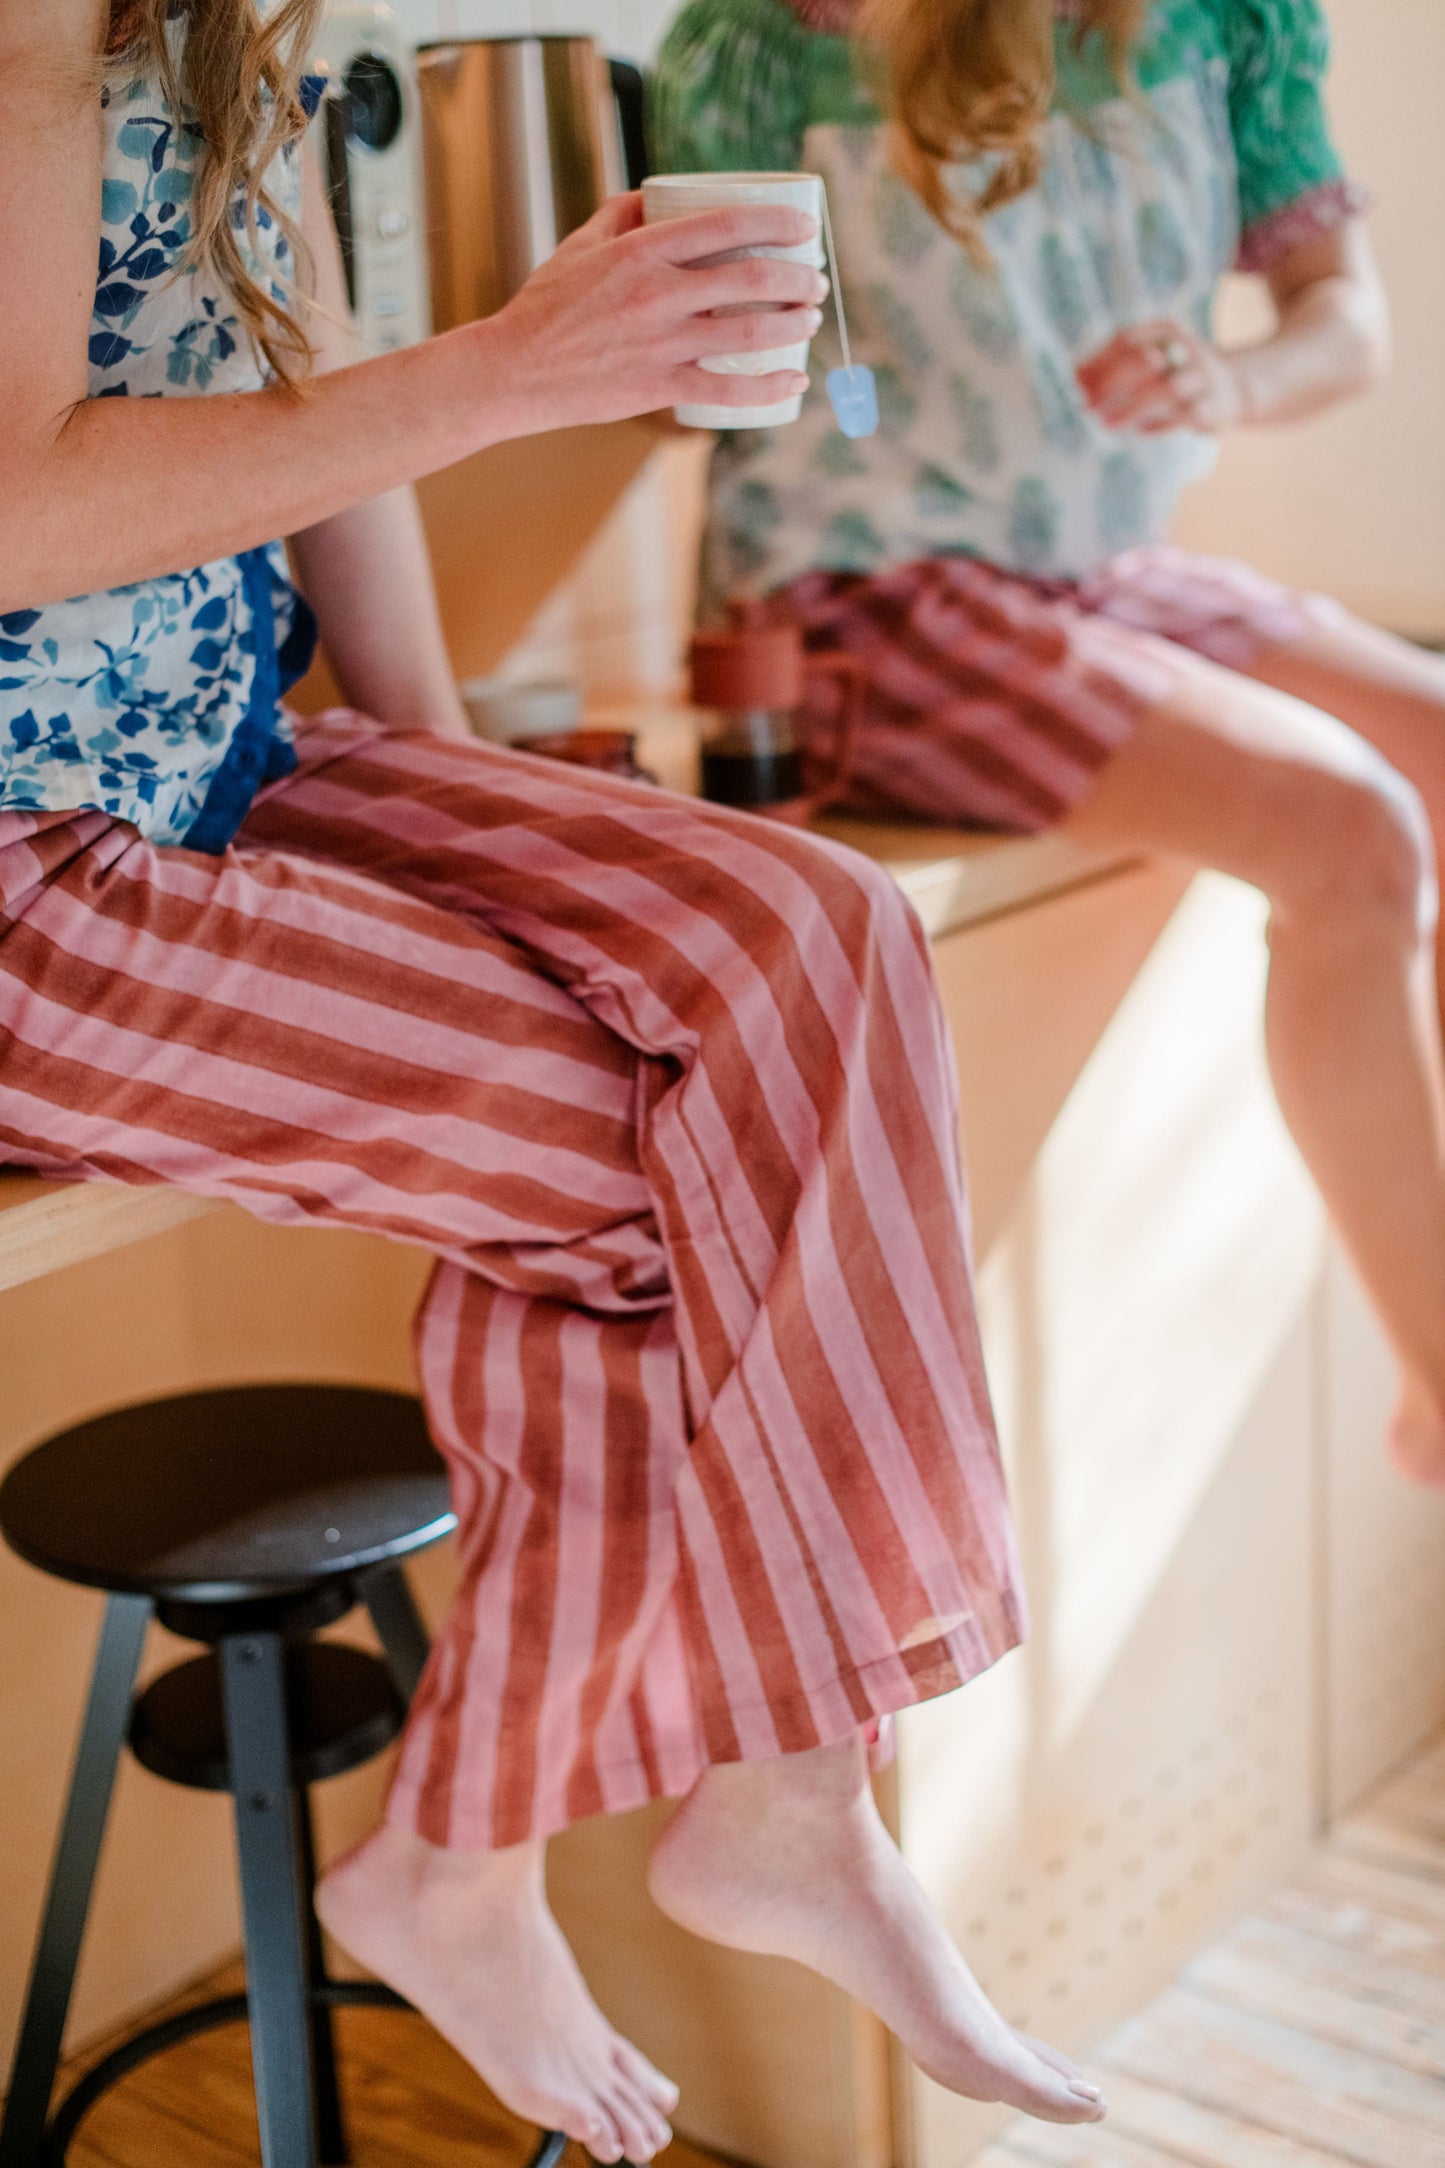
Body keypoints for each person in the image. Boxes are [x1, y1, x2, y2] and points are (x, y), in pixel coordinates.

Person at [0, 0, 1112, 2150]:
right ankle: (512, 1845)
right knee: (675, 1174)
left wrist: (457, 802)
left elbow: (323, 434)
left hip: (226, 766)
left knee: (820, 927)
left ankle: (763, 1794)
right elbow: (15, 503)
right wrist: (521, 360)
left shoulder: (242, 29)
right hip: (34, 860)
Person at [653, 0, 1445, 1490]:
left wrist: (1231, 379)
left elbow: (1344, 324)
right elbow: (762, 372)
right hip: (866, 585)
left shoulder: (1231, 22)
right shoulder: (768, 45)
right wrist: (872, 410)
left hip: (1096, 563)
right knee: (1349, 828)